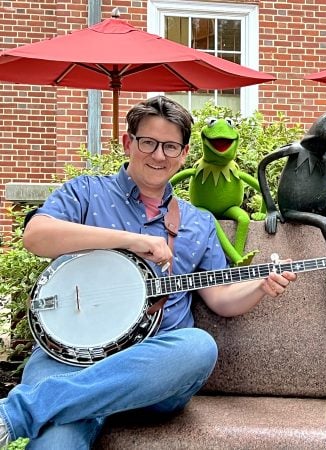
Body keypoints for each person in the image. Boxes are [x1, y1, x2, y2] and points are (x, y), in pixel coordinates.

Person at [0, 95, 297, 449]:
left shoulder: (197, 223)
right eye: (148, 143)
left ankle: (17, 413)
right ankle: (57, 404)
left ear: (184, 154)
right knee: (56, 443)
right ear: (128, 142)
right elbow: (36, 236)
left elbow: (220, 299)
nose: (159, 156)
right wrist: (130, 240)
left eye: (170, 147)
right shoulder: (86, 192)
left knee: (198, 346)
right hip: (68, 359)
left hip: (154, 372)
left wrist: (260, 286)